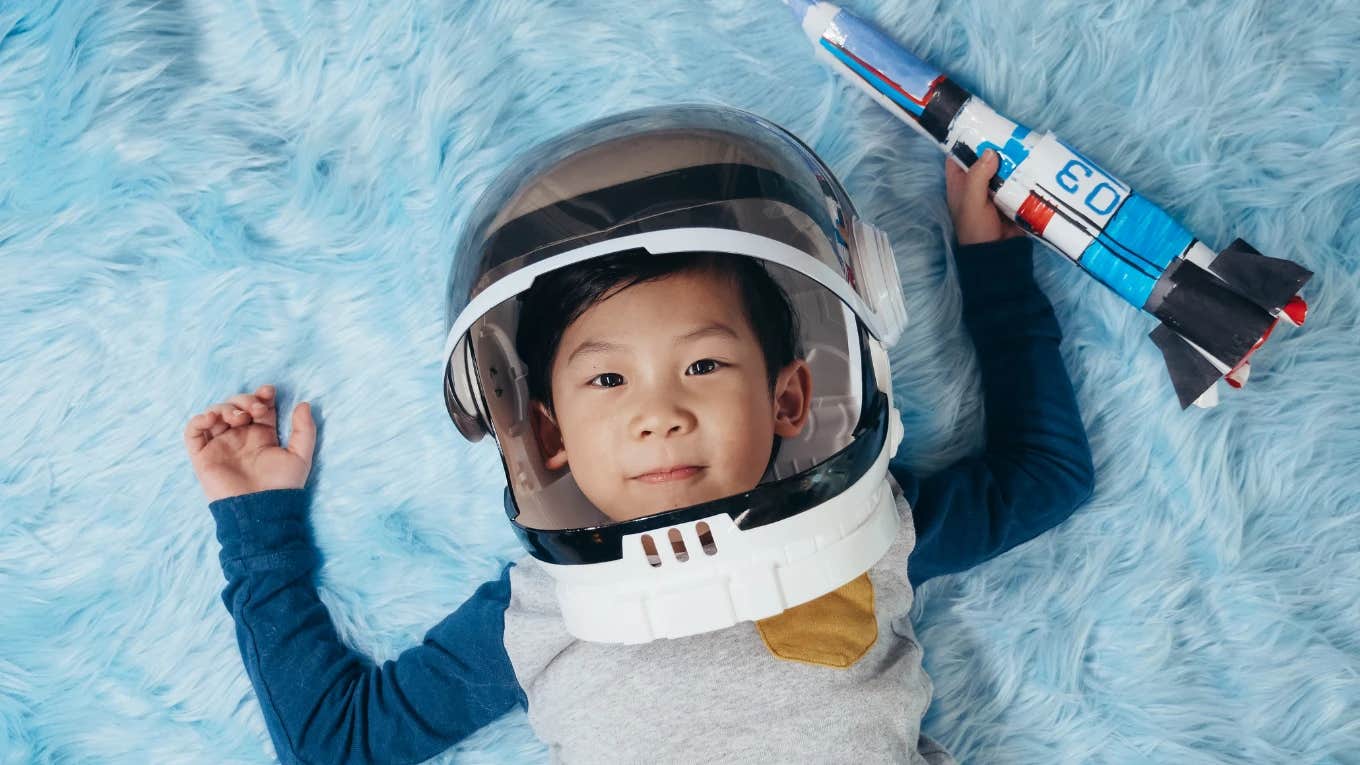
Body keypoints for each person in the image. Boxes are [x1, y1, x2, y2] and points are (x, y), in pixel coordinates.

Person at [184, 104, 1093, 764]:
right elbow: (342, 741)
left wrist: (992, 263)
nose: (659, 411)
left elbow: (1048, 475)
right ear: (550, 437)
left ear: (788, 399)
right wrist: (257, 524)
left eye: (702, 365)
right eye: (608, 380)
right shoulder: (544, 610)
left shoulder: (869, 530)